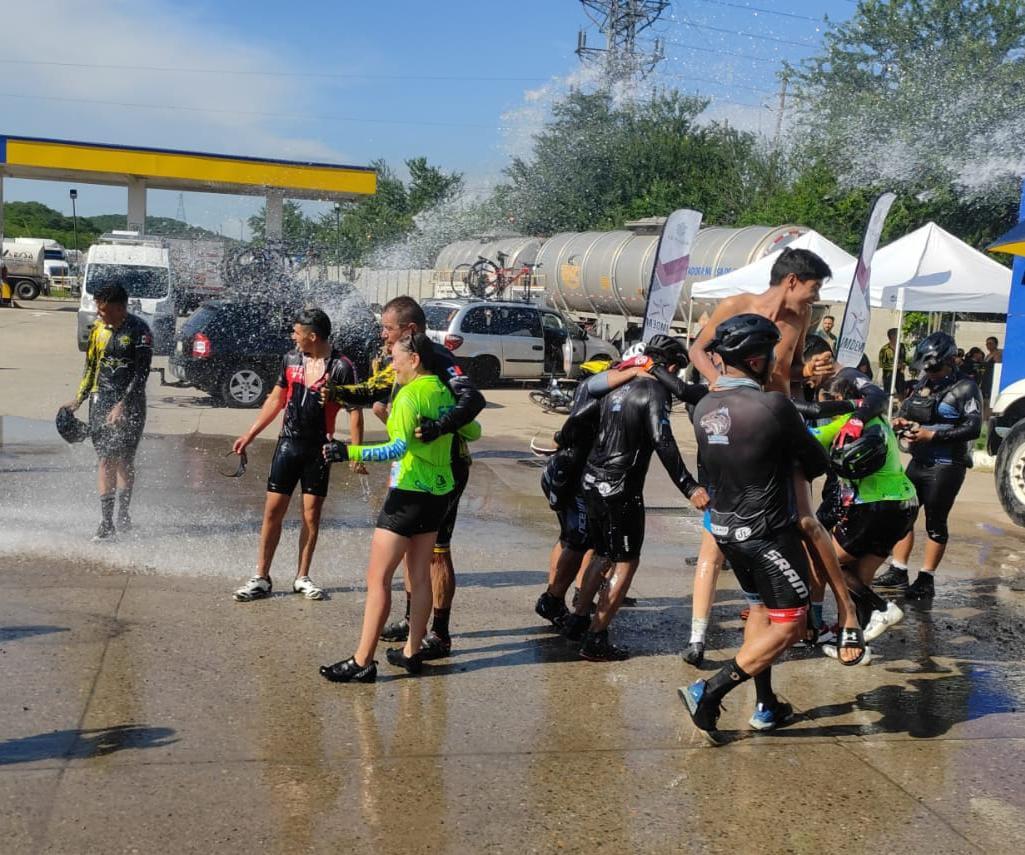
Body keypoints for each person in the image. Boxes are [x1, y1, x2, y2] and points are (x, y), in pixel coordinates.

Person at [680, 315, 849, 742]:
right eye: (772, 354)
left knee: (761, 611)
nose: (776, 361)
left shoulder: (704, 407)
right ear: (756, 360)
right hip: (768, 534)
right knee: (790, 625)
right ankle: (709, 691)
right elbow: (816, 463)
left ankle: (766, 704)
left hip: (727, 532)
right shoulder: (773, 406)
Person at [687, 248, 859, 661]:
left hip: (780, 422)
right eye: (814, 289)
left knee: (805, 519)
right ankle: (698, 635)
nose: (815, 299)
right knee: (719, 531)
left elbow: (789, 372)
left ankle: (829, 612)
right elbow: (697, 351)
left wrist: (810, 373)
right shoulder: (736, 306)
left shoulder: (801, 318)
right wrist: (717, 383)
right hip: (736, 425)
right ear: (792, 281)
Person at [323, 295, 485, 658]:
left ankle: (438, 633)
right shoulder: (403, 363)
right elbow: (375, 389)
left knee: (435, 555)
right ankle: (414, 626)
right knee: (417, 557)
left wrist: (439, 426)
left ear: (409, 331)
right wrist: (335, 391)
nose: (382, 335)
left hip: (442, 470)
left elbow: (473, 401)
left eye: (388, 328)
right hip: (416, 472)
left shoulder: (438, 359)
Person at [558, 336, 709, 661]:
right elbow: (663, 441)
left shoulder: (618, 383)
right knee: (626, 561)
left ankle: (577, 620)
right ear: (671, 368)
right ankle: (596, 638)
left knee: (601, 553)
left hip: (592, 480)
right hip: (620, 489)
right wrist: (689, 486)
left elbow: (579, 419)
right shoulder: (655, 391)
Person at [231, 308, 364, 602]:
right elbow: (276, 399)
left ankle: (302, 577)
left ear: (312, 336)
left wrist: (356, 453)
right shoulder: (291, 359)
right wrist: (250, 434)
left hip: (320, 449)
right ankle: (261, 577)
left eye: (297, 332)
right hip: (288, 445)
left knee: (311, 515)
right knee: (272, 511)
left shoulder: (342, 367)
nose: (293, 337)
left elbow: (355, 411)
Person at [805, 368, 916, 651]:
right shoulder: (880, 419)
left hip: (873, 506)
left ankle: (881, 607)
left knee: (823, 559)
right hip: (904, 505)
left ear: (839, 399)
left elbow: (807, 438)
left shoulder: (845, 421)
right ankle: (853, 644)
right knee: (858, 576)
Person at [874, 331, 982, 599]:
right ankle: (898, 569)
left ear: (950, 361)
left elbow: (973, 428)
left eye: (935, 369)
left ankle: (926, 578)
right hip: (919, 461)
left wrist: (932, 435)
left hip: (946, 465)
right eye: (926, 369)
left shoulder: (966, 388)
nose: (930, 374)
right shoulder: (925, 381)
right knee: (903, 513)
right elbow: (911, 410)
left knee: (935, 520)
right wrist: (902, 423)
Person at [63, 283, 152, 541]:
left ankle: (123, 513)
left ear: (120, 308)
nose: (99, 314)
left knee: (125, 460)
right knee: (105, 459)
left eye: (104, 310)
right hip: (100, 399)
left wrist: (123, 404)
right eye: (98, 309)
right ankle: (106, 522)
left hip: (131, 402)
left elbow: (142, 374)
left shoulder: (140, 331)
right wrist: (79, 399)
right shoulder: (98, 330)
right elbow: (91, 366)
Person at [878, 328, 907, 399]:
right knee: (888, 395)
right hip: (888, 376)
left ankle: (901, 404)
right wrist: (894, 366)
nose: (900, 336)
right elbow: (881, 364)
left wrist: (903, 364)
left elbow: (903, 358)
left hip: (900, 375)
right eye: (898, 334)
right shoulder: (885, 349)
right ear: (892, 336)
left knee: (902, 393)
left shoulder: (902, 346)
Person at [980, 336, 1002, 418]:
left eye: (990, 343)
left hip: (991, 379)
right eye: (987, 344)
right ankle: (983, 417)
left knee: (989, 400)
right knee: (984, 400)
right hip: (985, 379)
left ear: (996, 344)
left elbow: (998, 367)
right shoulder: (988, 355)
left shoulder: (997, 354)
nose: (988, 345)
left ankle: (987, 418)